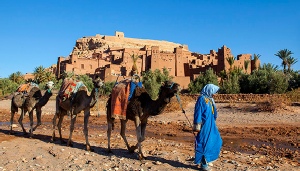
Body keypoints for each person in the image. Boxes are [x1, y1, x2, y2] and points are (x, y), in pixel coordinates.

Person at [193, 84, 222, 171]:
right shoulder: (201, 99)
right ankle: (203, 164)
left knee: (217, 141)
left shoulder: (210, 100)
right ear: (210, 90)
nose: (215, 94)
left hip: (211, 125)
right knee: (204, 143)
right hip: (204, 126)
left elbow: (214, 113)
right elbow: (198, 114)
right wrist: (197, 128)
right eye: (214, 92)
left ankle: (207, 159)